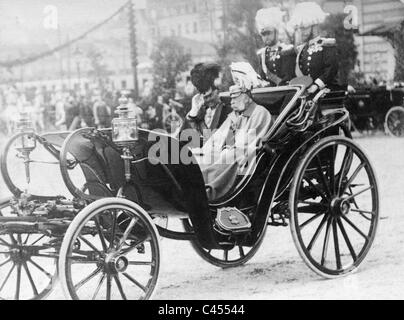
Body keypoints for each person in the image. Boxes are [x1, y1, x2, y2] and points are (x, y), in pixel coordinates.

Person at [193, 62, 272, 201]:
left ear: (247, 96)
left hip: (245, 155)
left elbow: (250, 144)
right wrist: (206, 150)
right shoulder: (235, 115)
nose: (232, 102)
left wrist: (228, 149)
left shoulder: (260, 113)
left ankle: (205, 189)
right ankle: (192, 183)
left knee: (225, 157)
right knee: (198, 155)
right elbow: (217, 138)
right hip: (229, 150)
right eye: (232, 97)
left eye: (236, 96)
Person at [288, 2, 340, 93]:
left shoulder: (326, 45)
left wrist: (317, 85)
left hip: (325, 91)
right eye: (300, 28)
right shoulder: (302, 49)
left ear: (314, 26)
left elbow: (331, 69)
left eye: (304, 27)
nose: (301, 31)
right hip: (306, 92)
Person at [186, 63, 232, 139]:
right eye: (204, 96)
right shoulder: (199, 109)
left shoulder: (228, 110)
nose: (207, 100)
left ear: (217, 90)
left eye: (210, 95)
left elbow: (210, 139)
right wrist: (193, 113)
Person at [255, 7, 296, 86]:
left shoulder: (287, 51)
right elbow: (262, 77)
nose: (266, 37)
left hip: (285, 91)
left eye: (269, 33)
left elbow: (288, 78)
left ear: (276, 32)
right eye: (263, 34)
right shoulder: (262, 54)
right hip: (269, 93)